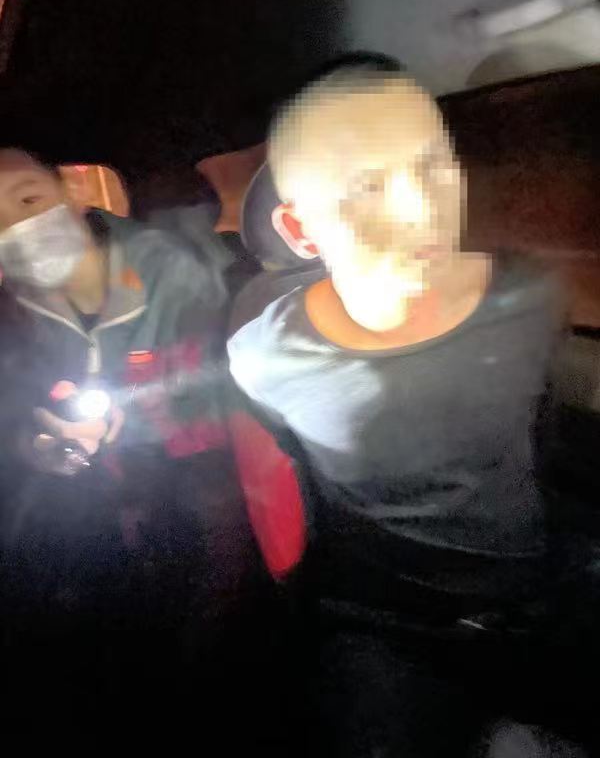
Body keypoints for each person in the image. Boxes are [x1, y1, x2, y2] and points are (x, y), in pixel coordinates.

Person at [227, 53, 590, 755]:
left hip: (537, 589)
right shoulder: (263, 359)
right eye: (368, 187)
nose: (423, 210)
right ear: (301, 232)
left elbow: (539, 435)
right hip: (384, 627)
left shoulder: (528, 298)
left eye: (433, 167)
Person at [0, 147, 254, 727]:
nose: (15, 229)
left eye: (28, 199)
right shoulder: (11, 312)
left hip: (205, 486)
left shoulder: (179, 271)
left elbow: (229, 393)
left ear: (71, 191)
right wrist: (35, 447)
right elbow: (15, 414)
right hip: (97, 506)